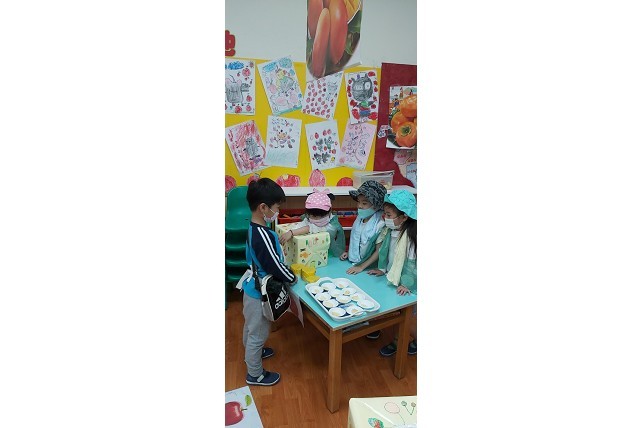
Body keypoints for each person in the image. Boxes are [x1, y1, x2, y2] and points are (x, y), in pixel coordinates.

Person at [238, 178, 297, 386]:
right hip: (259, 293)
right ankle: (255, 374)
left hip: (251, 288)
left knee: (251, 327)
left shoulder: (254, 228)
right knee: (258, 333)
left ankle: (252, 352)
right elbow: (274, 265)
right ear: (263, 208)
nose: (277, 212)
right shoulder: (262, 235)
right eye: (276, 208)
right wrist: (291, 277)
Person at [365, 189, 418, 356]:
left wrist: (406, 284)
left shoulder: (411, 237)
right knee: (390, 307)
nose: (385, 217)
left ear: (404, 217)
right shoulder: (391, 230)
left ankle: (402, 342)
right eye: (385, 214)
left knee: (406, 318)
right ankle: (381, 330)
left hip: (409, 282)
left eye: (389, 215)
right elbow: (385, 253)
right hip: (393, 277)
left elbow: (412, 265)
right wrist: (382, 269)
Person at [278, 188, 346, 257]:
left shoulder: (331, 226)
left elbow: (310, 228)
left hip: (328, 252)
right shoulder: (308, 218)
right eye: (313, 216)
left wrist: (291, 232)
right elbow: (302, 225)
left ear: (330, 211)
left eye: (320, 216)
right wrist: (288, 233)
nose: (317, 219)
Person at [339, 180, 387, 274]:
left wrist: (361, 267)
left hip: (369, 267)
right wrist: (350, 253)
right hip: (354, 261)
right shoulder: (360, 218)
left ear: (377, 205)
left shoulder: (380, 225)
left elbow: (379, 251)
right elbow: (357, 239)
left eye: (364, 203)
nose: (359, 206)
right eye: (358, 202)